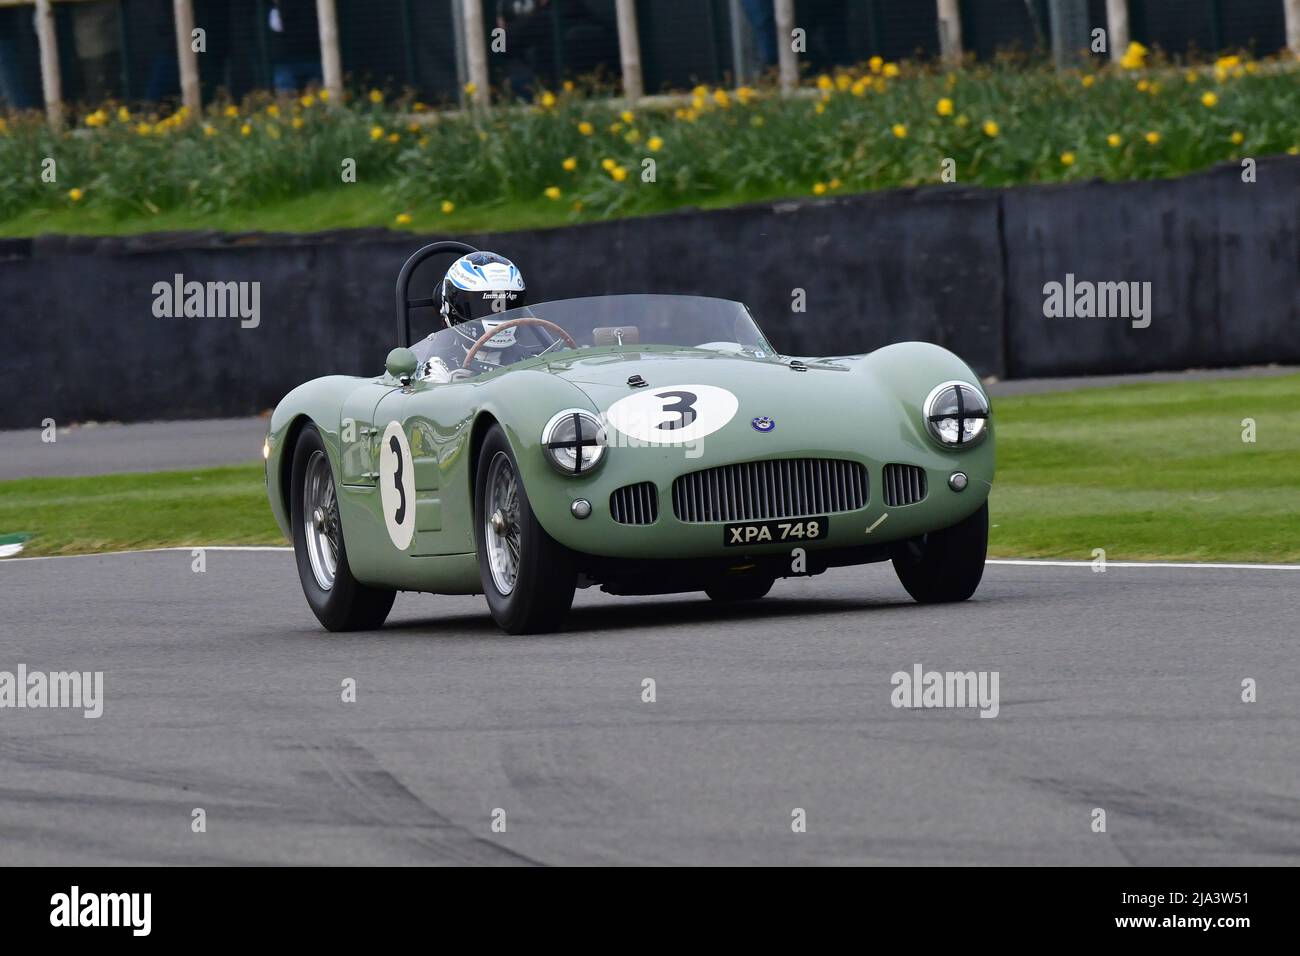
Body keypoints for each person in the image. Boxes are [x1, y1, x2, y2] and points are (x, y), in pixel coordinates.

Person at [414, 252, 549, 381]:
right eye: (484, 308)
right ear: (453, 307)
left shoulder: (534, 361)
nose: (500, 319)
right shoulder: (437, 367)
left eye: (509, 307)